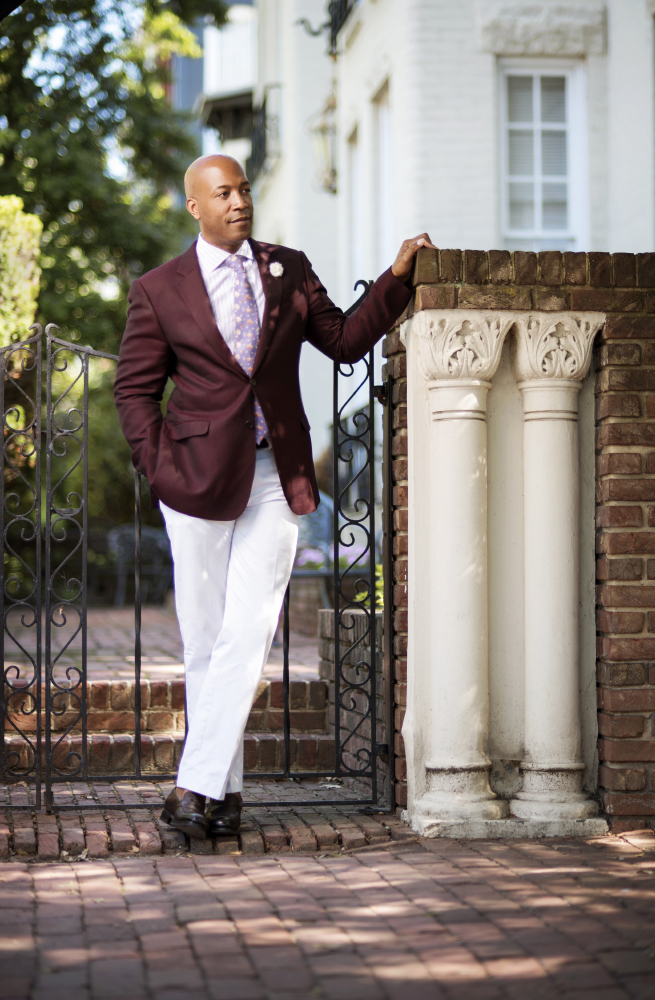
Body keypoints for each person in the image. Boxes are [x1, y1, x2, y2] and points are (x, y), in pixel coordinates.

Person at [114, 154, 436, 839]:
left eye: (244, 189)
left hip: (274, 476)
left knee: (251, 628)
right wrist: (157, 466)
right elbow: (134, 391)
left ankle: (192, 784)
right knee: (203, 640)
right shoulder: (159, 289)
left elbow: (345, 341)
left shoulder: (287, 267)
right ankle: (223, 797)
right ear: (195, 206)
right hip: (193, 480)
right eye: (223, 193)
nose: (239, 201)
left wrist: (397, 276)